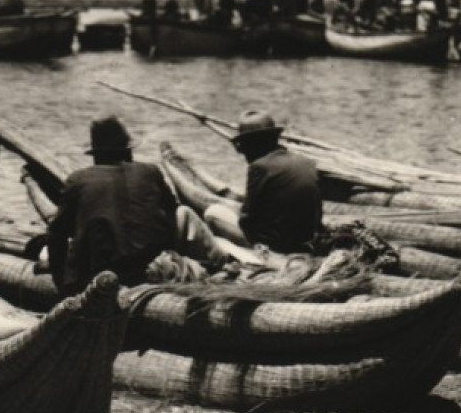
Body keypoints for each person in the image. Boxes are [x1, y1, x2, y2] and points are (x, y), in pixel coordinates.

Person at [45, 117, 185, 295]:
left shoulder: (77, 180)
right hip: (153, 266)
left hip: (100, 274)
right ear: (128, 151)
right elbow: (172, 211)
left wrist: (61, 281)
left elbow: (56, 235)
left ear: (96, 155)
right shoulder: (150, 172)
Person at [205, 110, 323, 254]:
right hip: (305, 241)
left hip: (276, 246)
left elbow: (247, 220)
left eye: (244, 145)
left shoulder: (260, 167)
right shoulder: (306, 161)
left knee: (212, 213)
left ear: (253, 144)